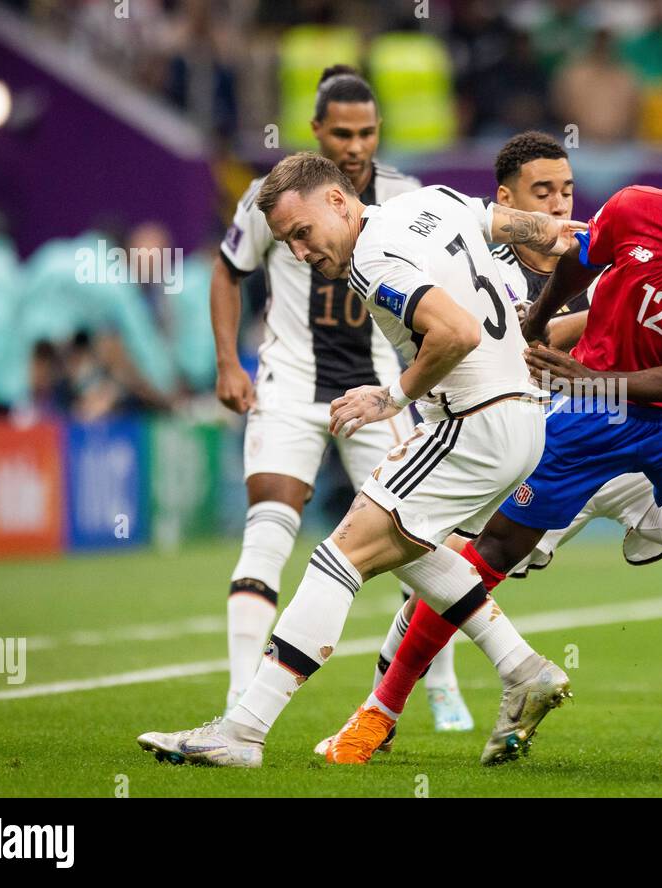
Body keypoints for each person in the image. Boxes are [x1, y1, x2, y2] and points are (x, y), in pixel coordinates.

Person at [315, 131, 662, 764]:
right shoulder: (635, 209)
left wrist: (593, 377)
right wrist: (537, 321)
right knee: (483, 555)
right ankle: (379, 711)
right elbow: (582, 263)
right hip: (582, 420)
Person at [137, 152, 587, 768]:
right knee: (417, 554)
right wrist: (581, 238)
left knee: (337, 559)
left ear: (339, 202)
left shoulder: (371, 262)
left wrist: (391, 395)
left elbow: (456, 332)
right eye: (287, 244)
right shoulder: (433, 201)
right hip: (519, 422)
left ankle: (242, 732)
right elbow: (529, 227)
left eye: (303, 233)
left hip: (473, 422)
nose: (300, 254)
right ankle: (524, 668)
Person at [209, 66, 473, 732]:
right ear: (317, 133)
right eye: (342, 134)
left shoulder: (406, 197)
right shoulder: (271, 200)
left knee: (415, 542)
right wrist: (225, 363)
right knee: (267, 535)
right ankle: (242, 696)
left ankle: (439, 684)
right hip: (289, 387)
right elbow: (227, 270)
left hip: (377, 393)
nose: (356, 146)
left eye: (367, 133)